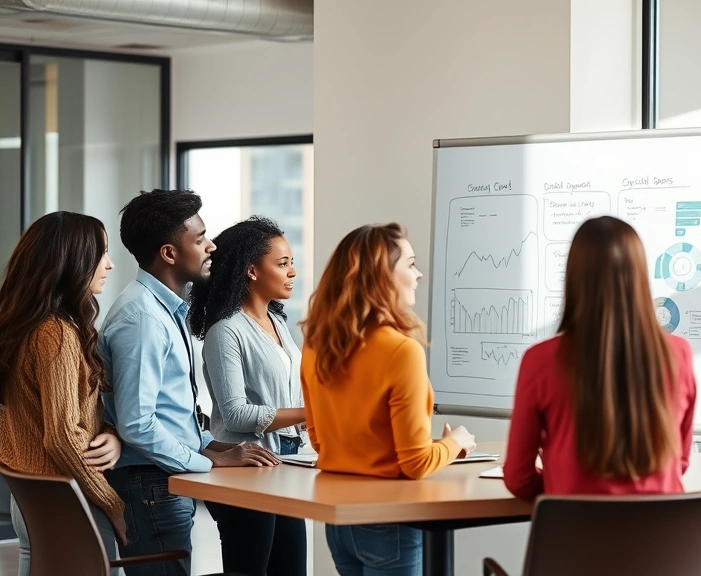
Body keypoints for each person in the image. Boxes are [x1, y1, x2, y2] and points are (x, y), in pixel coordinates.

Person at [100, 189, 280, 576]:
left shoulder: (165, 309)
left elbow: (170, 410)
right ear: (169, 253)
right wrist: (203, 461)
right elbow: (137, 423)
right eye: (199, 239)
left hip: (161, 480)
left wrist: (211, 446)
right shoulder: (143, 319)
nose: (211, 246)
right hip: (151, 484)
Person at [300, 223, 476, 576]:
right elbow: (415, 464)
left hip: (339, 522)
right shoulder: (401, 351)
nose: (419, 273)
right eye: (410, 264)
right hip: (389, 523)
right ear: (382, 276)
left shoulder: (316, 346)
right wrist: (455, 442)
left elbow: (319, 441)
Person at [502, 216, 697, 499]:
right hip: (663, 539)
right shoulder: (679, 354)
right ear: (640, 277)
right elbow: (679, 462)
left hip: (575, 537)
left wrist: (561, 483)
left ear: (574, 278)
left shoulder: (540, 360)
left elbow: (518, 479)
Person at [0, 211, 125, 576]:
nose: (109, 264)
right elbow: (61, 436)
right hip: (70, 498)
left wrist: (108, 432)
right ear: (72, 260)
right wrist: (114, 504)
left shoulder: (25, 326)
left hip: (32, 500)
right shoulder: (55, 334)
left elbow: (63, 418)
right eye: (101, 253)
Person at [188, 217, 307, 576]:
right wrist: (310, 413)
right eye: (283, 263)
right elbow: (236, 415)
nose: (293, 272)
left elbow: (290, 393)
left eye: (291, 263)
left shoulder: (278, 322)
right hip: (246, 467)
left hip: (287, 461)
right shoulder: (226, 332)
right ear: (252, 270)